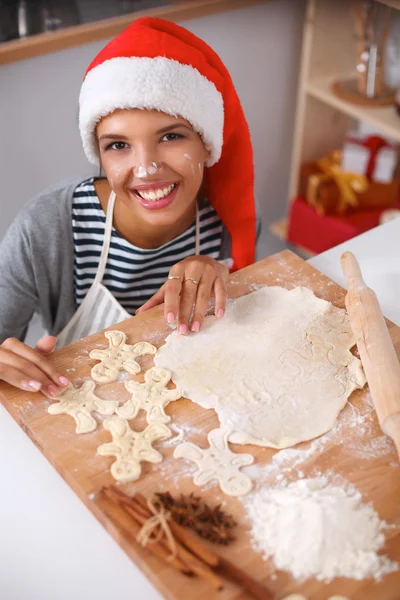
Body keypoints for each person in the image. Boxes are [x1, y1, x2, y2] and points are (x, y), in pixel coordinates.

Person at [0, 17, 259, 397]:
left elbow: (247, 336)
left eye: (170, 136)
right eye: (118, 145)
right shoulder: (44, 228)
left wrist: (225, 276)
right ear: (100, 155)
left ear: (207, 143)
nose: (146, 168)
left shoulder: (227, 225)